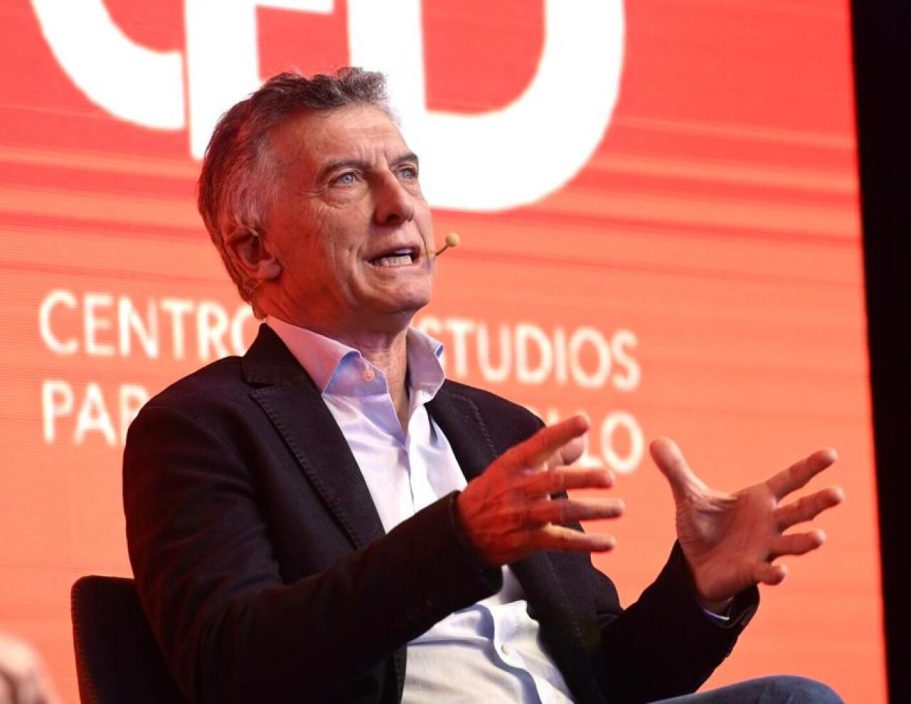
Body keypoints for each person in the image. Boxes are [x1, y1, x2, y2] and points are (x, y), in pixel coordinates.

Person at [123, 67, 845, 704]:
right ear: (255, 248)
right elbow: (233, 670)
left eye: (407, 172)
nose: (399, 205)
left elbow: (608, 683)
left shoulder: (501, 430)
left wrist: (697, 586)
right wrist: (458, 540)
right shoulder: (202, 428)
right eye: (346, 180)